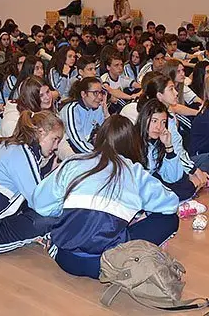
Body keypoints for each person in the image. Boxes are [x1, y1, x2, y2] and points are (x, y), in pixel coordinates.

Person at [30, 115, 180, 279]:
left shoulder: (73, 162)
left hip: (65, 259)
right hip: (106, 264)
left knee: (59, 212)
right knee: (170, 219)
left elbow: (40, 203)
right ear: (132, 143)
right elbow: (171, 204)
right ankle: (131, 254)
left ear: (98, 138)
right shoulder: (134, 172)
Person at [0, 111, 64, 254]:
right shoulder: (23, 154)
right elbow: (41, 204)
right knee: (56, 219)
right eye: (55, 139)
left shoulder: (13, 146)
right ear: (41, 133)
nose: (56, 146)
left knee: (43, 216)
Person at [59, 77, 109, 155]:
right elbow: (77, 140)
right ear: (83, 94)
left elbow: (109, 134)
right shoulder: (71, 110)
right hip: (73, 151)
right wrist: (98, 155)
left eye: (101, 92)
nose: (100, 97)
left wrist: (106, 115)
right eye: (95, 93)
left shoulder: (99, 109)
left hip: (90, 150)